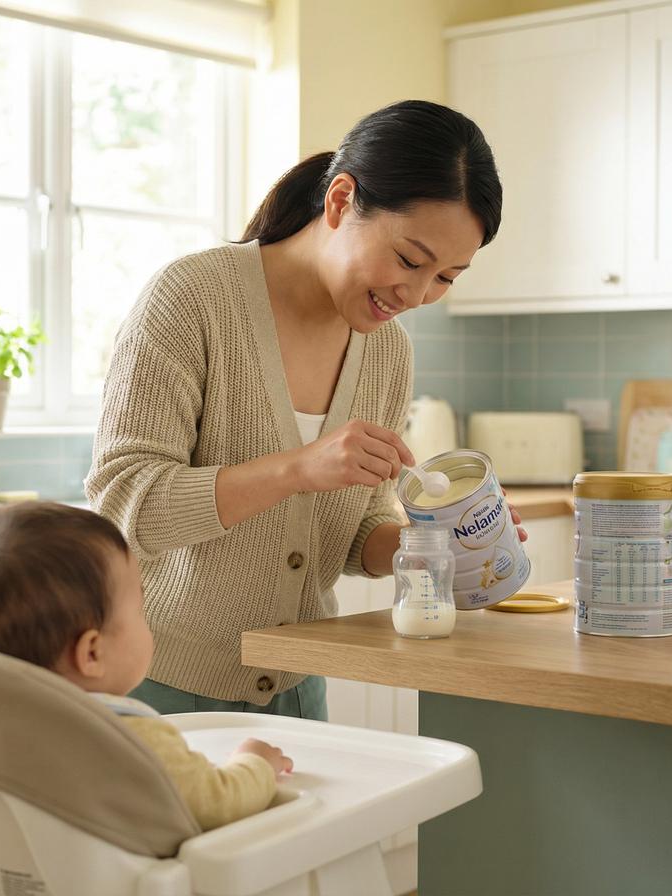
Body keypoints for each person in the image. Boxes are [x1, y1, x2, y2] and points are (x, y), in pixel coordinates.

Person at [87, 99, 517, 720]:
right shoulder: (192, 299)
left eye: (447, 277)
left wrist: (436, 548)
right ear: (341, 202)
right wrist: (297, 468)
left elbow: (354, 530)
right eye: (410, 260)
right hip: (161, 689)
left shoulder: (387, 352)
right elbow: (123, 506)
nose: (418, 295)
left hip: (298, 687)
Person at [0, 501, 292, 831]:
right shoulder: (132, 742)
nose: (146, 622)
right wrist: (255, 762)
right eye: (140, 611)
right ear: (92, 653)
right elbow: (219, 803)